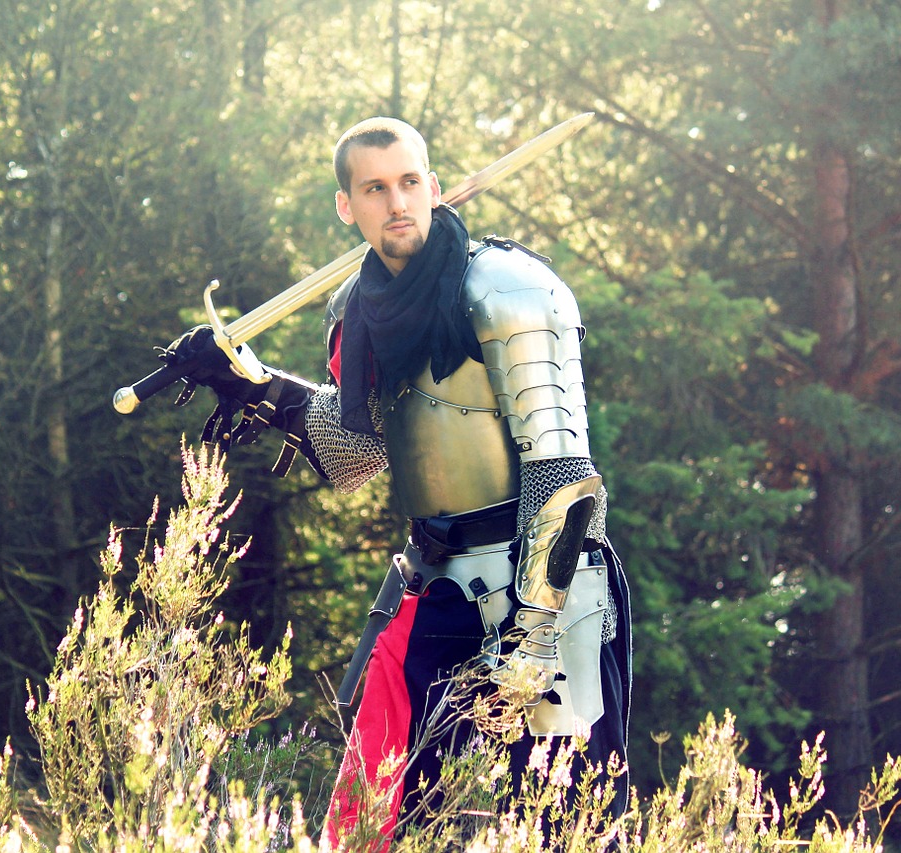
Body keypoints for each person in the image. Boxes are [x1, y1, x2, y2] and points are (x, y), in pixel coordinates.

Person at [159, 117, 631, 848]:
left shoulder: (509, 290)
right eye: (375, 188)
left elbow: (564, 477)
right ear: (347, 206)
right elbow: (362, 445)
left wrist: (536, 634)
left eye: (410, 182)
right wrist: (255, 383)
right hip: (439, 583)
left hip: (550, 588)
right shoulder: (362, 308)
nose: (398, 202)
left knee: (565, 824)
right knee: (389, 813)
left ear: (434, 187)